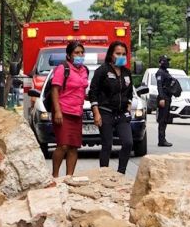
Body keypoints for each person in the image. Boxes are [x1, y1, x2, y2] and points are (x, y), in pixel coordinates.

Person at [88, 41, 135, 174]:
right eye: (118, 53)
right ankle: (104, 174)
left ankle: (121, 173)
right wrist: (96, 113)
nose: (121, 56)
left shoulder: (126, 72)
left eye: (124, 54)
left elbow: (130, 91)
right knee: (107, 144)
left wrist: (129, 105)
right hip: (105, 112)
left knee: (128, 143)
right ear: (111, 54)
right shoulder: (102, 71)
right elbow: (93, 93)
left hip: (121, 114)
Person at [50, 41, 89, 177]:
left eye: (82, 53)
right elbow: (55, 90)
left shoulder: (84, 70)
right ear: (68, 55)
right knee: (63, 145)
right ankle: (55, 176)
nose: (80, 55)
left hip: (77, 113)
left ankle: (69, 177)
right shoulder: (63, 68)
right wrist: (58, 111)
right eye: (76, 53)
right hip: (63, 111)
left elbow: (81, 90)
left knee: (73, 147)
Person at [155, 55, 174, 147]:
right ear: (161, 62)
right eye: (165, 61)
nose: (167, 63)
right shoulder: (160, 73)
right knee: (162, 119)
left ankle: (163, 139)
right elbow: (159, 86)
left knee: (166, 118)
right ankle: (161, 140)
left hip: (168, 97)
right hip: (163, 98)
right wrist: (162, 98)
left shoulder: (165, 72)